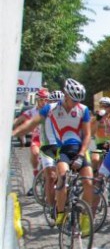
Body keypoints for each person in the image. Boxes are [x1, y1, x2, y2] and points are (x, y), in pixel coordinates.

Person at [13, 79, 93, 234]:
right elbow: (31, 124)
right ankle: (60, 213)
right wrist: (14, 133)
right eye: (73, 100)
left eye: (78, 101)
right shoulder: (51, 108)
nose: (75, 103)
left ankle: (85, 218)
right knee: (61, 176)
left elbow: (88, 135)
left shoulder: (83, 110)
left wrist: (82, 155)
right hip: (61, 149)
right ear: (66, 95)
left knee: (89, 182)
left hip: (80, 149)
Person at [13, 88, 49, 194]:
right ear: (37, 100)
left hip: (49, 139)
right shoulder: (32, 112)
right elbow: (19, 119)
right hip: (38, 138)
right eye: (42, 100)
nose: (44, 102)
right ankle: (35, 175)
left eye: (46, 100)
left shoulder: (51, 110)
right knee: (35, 153)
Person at [90, 96, 110, 173]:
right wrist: (98, 121)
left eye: (107, 106)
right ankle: (93, 175)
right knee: (95, 159)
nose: (104, 108)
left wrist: (109, 126)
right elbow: (91, 133)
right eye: (102, 106)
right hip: (100, 146)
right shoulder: (95, 119)